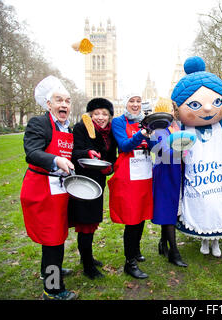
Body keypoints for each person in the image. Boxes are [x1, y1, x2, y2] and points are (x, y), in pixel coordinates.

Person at [171, 56, 222, 258]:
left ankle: (215, 241)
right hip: (197, 175)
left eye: (215, 102)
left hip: (220, 174)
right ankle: (204, 239)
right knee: (201, 205)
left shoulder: (219, 124)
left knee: (216, 203)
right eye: (195, 104)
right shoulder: (184, 127)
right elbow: (173, 150)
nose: (206, 109)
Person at [20, 75, 77, 300]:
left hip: (60, 191)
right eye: (59, 100)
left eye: (67, 100)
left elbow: (70, 154)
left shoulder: (67, 128)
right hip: (42, 190)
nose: (64, 104)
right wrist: (56, 161)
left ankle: (50, 270)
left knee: (55, 237)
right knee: (53, 239)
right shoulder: (39, 123)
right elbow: (32, 152)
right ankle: (52, 289)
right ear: (48, 104)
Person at [68, 98, 117, 279]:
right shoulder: (81, 128)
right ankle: (88, 265)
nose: (100, 117)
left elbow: (112, 157)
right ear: (90, 114)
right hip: (82, 181)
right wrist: (87, 153)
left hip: (99, 181)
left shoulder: (110, 132)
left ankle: (86, 257)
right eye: (96, 113)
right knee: (85, 224)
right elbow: (73, 152)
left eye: (104, 113)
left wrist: (109, 167)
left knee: (92, 222)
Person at [108, 92, 155, 279]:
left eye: (138, 101)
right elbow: (125, 145)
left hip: (144, 172)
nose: (135, 105)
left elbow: (151, 147)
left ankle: (135, 250)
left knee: (142, 213)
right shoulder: (119, 122)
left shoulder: (147, 121)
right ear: (125, 103)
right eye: (131, 101)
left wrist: (152, 137)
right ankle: (130, 262)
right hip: (128, 174)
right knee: (132, 217)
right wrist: (141, 133)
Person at [151, 98, 187, 267]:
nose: (169, 113)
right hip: (165, 173)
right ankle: (174, 252)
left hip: (176, 171)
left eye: (171, 110)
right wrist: (183, 145)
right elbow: (165, 152)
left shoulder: (175, 127)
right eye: (164, 110)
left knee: (172, 208)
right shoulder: (158, 130)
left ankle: (162, 242)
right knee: (169, 211)